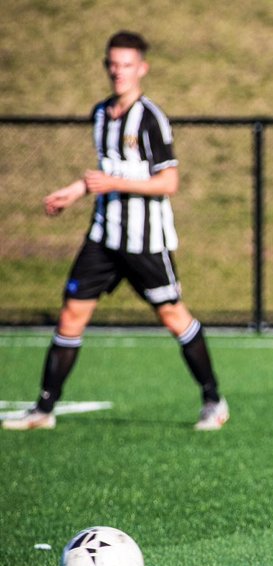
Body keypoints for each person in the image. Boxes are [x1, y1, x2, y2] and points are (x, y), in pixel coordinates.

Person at [3, 31, 228, 432]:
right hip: (104, 238)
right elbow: (105, 174)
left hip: (145, 242)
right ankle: (43, 409)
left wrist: (113, 184)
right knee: (71, 313)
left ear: (142, 68)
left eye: (126, 65)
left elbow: (168, 182)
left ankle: (213, 400)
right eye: (112, 64)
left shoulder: (151, 120)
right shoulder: (101, 114)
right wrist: (75, 191)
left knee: (174, 316)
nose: (117, 72)